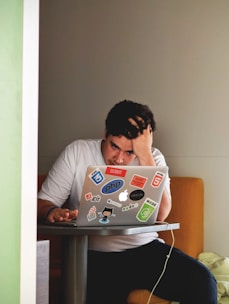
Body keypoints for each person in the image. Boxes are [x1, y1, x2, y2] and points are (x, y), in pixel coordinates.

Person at [37, 100, 217, 304]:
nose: (119, 159)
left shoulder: (153, 158)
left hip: (144, 250)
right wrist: (52, 211)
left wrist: (145, 155)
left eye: (129, 152)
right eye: (114, 146)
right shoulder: (77, 152)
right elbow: (42, 202)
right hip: (94, 255)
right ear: (105, 134)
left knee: (203, 281)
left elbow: (161, 214)